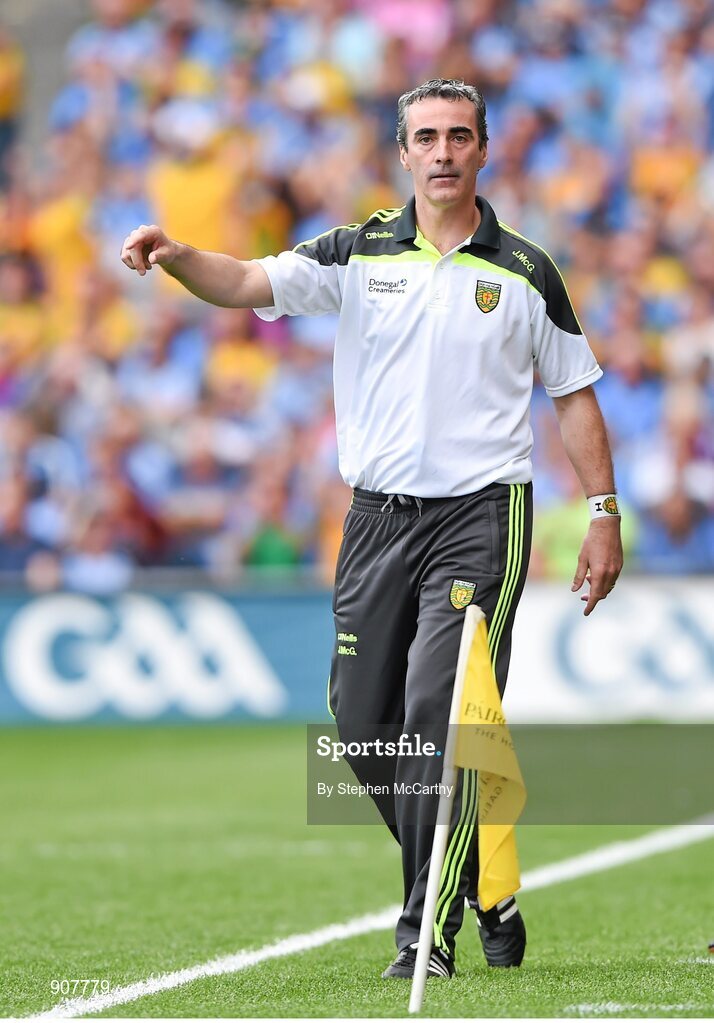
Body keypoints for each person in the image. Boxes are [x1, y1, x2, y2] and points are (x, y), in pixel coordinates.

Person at [121, 78, 623, 979]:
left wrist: (602, 513)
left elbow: (574, 395)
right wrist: (178, 254)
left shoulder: (526, 270)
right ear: (402, 152)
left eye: (458, 136)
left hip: (482, 516)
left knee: (438, 717)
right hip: (375, 518)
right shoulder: (357, 250)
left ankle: (424, 932)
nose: (442, 152)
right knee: (359, 725)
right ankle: (481, 870)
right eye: (426, 137)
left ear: (483, 149)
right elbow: (245, 281)